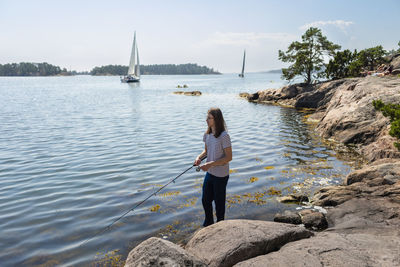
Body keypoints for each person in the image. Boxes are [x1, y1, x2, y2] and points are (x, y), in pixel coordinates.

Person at [194, 108, 232, 227]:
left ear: (216, 119)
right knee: (205, 200)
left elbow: (228, 157)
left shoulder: (224, 136)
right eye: (207, 117)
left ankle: (220, 225)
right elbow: (206, 151)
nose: (206, 120)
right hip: (210, 173)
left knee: (219, 203)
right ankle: (209, 223)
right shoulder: (207, 135)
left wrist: (210, 164)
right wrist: (199, 158)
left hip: (221, 175)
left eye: (209, 118)